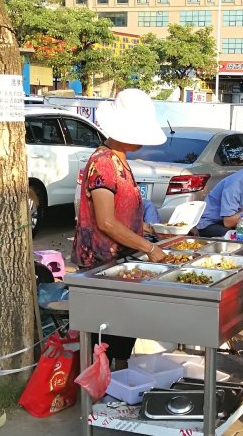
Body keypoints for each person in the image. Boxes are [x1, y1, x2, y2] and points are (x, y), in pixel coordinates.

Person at [72, 89, 168, 367]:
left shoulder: (120, 161)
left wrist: (151, 228)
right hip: (101, 264)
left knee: (124, 335)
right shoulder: (103, 163)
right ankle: (103, 392)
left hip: (121, 260)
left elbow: (122, 214)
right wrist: (148, 247)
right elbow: (105, 221)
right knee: (108, 338)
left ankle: (118, 383)